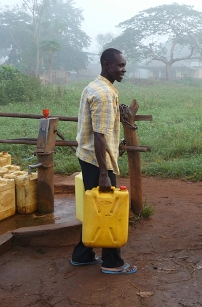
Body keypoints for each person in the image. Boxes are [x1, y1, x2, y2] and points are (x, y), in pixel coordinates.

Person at [71, 48, 137, 274]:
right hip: (98, 161)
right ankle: (112, 262)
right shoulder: (103, 94)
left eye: (124, 65)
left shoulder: (96, 87)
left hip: (87, 156)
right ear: (106, 65)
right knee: (107, 208)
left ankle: (82, 254)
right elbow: (100, 136)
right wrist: (103, 173)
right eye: (120, 65)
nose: (124, 69)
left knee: (94, 206)